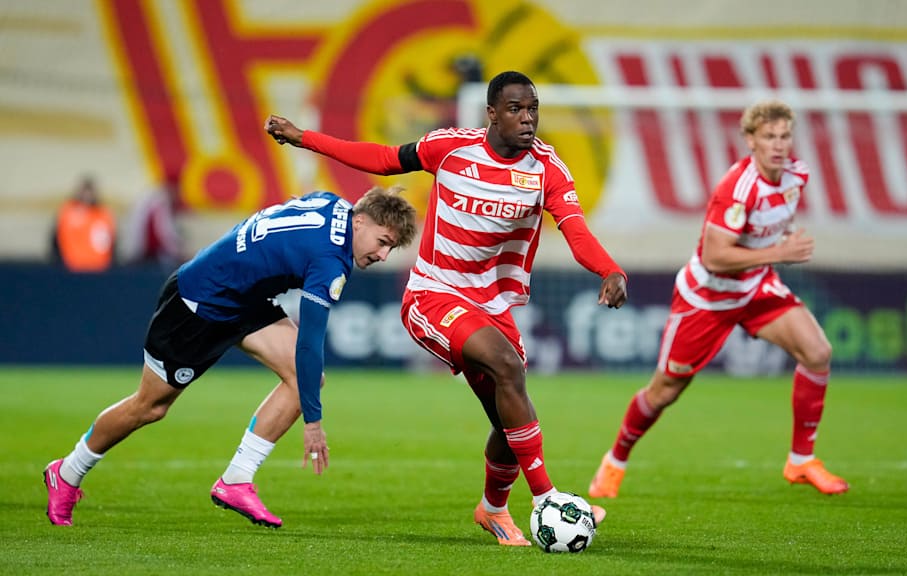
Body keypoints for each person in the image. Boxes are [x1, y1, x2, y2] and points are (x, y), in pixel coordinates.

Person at [265, 70, 629, 546]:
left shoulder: (548, 169)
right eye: (516, 110)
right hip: (433, 294)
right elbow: (382, 158)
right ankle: (549, 501)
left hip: (492, 304)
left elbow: (575, 230)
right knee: (506, 369)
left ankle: (493, 510)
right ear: (492, 114)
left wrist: (609, 270)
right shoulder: (451, 148)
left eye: (533, 109)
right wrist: (304, 138)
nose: (527, 119)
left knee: (507, 416)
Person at [44, 186, 418, 527]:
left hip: (245, 299)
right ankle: (67, 471)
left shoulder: (331, 201)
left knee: (306, 378)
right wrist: (313, 425)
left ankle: (237, 479)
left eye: (391, 249)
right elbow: (310, 343)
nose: (383, 255)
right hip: (200, 303)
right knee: (150, 406)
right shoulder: (331, 262)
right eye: (383, 242)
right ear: (362, 220)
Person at [588, 99, 849, 500]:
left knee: (817, 352)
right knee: (664, 392)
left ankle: (801, 460)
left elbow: (771, 227)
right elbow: (715, 256)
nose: (778, 145)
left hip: (755, 286)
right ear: (750, 140)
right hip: (707, 298)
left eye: (784, 136)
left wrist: (777, 245)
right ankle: (615, 461)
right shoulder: (737, 189)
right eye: (768, 137)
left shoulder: (797, 174)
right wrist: (779, 253)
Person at [51, 175, 117, 273]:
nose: (87, 196)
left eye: (89, 192)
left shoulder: (103, 214)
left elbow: (112, 242)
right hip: (71, 267)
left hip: (98, 267)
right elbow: (56, 239)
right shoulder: (68, 212)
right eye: (84, 192)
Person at [122, 176, 186, 270]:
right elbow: (164, 232)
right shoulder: (159, 202)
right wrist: (178, 252)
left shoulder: (150, 200)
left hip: (139, 251)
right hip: (141, 253)